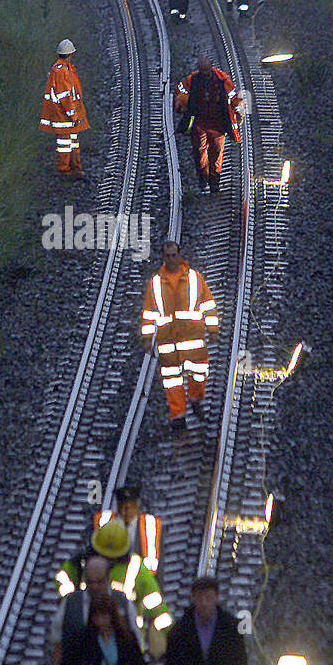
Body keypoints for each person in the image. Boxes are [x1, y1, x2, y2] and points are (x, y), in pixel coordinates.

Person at [55, 518, 171, 648]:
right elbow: (63, 578)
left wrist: (172, 635)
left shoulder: (134, 568)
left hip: (122, 637)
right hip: (97, 635)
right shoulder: (81, 562)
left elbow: (155, 604)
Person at [141, 238, 218, 431]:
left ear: (179, 255)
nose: (171, 259)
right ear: (163, 257)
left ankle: (195, 398)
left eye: (174, 255)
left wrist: (213, 329)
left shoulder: (194, 278)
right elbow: (149, 313)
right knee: (172, 380)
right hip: (168, 341)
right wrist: (147, 339)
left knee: (199, 373)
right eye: (167, 256)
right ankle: (178, 416)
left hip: (192, 338)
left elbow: (208, 303)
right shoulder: (155, 284)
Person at [174, 53, 245, 194]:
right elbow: (180, 92)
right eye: (202, 70)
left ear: (211, 68)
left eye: (206, 70)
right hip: (199, 123)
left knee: (216, 154)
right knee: (199, 153)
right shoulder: (192, 80)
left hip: (218, 124)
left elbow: (233, 97)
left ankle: (214, 184)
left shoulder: (222, 80)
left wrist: (238, 111)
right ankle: (203, 178)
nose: (205, 73)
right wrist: (182, 105)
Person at [39, 38, 89, 178]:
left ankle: (75, 167)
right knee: (65, 143)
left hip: (67, 116)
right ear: (71, 54)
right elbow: (65, 96)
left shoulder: (63, 69)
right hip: (64, 116)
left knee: (72, 142)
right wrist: (73, 114)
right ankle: (64, 169)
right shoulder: (62, 72)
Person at [91, 483, 163, 573]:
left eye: (130, 507)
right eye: (123, 506)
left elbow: (153, 562)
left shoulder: (150, 524)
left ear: (137, 506)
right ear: (117, 506)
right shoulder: (104, 521)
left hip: (139, 574)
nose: (126, 511)